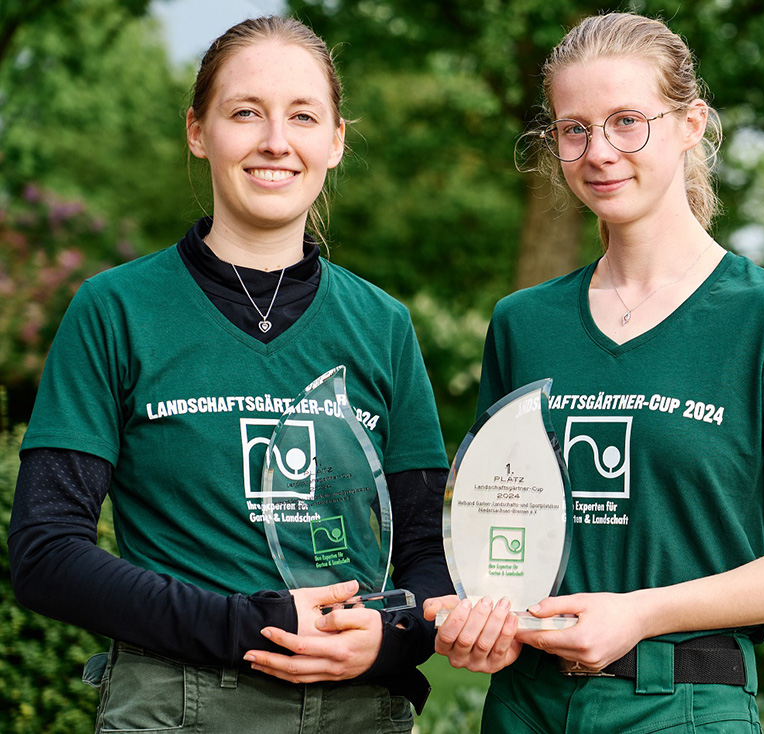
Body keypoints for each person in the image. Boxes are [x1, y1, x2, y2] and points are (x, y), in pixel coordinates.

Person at [423, 12, 764, 733]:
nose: (599, 151)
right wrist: (477, 619)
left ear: (691, 123)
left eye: (627, 121)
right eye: (574, 129)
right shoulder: (522, 324)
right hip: (525, 707)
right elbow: (495, 531)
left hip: (686, 704)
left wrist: (642, 612)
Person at [8, 16, 451, 734]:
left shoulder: (383, 325)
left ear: (334, 141)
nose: (276, 140)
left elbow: (431, 558)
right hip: (172, 706)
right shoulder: (117, 310)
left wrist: (393, 635)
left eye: (302, 116)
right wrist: (246, 624)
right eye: (245, 112)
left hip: (357, 713)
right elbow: (46, 551)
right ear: (197, 131)